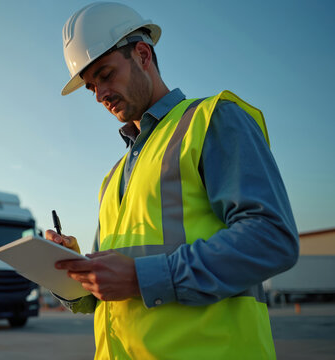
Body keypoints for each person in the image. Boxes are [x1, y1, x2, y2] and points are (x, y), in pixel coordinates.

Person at [45, 2, 299, 359]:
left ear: (143, 54)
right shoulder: (113, 177)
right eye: (90, 87)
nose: (100, 94)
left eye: (105, 75)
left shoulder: (212, 120)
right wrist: (72, 272)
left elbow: (272, 238)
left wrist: (140, 278)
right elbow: (108, 294)